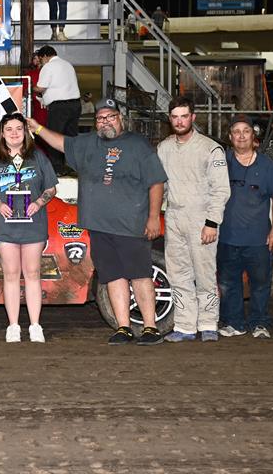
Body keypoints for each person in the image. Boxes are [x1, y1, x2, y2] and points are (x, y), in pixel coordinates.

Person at [27, 99, 168, 346]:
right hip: (99, 226)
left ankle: (150, 327)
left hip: (131, 224)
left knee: (140, 275)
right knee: (112, 276)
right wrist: (37, 128)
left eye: (110, 117)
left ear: (121, 118)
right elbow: (60, 142)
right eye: (100, 118)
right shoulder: (87, 143)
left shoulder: (138, 145)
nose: (105, 122)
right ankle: (123, 326)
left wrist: (154, 216)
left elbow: (156, 182)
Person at [157, 97, 231, 342]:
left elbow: (221, 189)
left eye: (184, 116)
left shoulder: (210, 148)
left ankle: (209, 322)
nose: (179, 121)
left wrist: (212, 222)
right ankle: (185, 325)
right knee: (178, 274)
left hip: (201, 218)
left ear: (193, 118)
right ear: (170, 119)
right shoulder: (164, 148)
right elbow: (162, 187)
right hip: (174, 216)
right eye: (175, 117)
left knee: (205, 273)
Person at [0, 114, 58, 343]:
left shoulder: (38, 157)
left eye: (18, 129)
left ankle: (35, 325)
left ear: (26, 132)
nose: (14, 133)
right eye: (9, 129)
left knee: (33, 273)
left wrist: (39, 202)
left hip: (33, 224)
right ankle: (13, 325)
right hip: (5, 225)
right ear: (2, 134)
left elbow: (51, 188)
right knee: (11, 274)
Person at [216, 115, 273, 340]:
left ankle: (259, 322)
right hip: (227, 237)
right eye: (236, 131)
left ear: (253, 136)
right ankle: (234, 322)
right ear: (230, 137)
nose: (241, 135)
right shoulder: (221, 162)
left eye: (246, 131)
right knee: (228, 282)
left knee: (260, 284)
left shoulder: (266, 165)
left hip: (259, 239)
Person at [34, 45, 80, 173]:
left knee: (53, 136)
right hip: (75, 105)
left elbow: (41, 88)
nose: (41, 62)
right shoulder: (67, 64)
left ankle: (57, 168)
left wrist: (31, 87)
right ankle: (73, 167)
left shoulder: (48, 66)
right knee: (71, 137)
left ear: (44, 56)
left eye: (41, 59)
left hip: (59, 107)